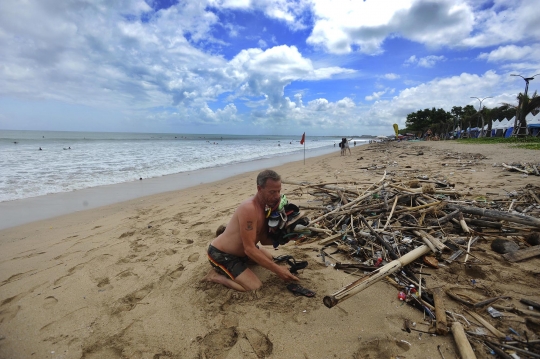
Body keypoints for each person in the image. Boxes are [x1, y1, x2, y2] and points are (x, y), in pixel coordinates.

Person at [204, 169, 299, 291]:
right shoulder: (249, 209)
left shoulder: (267, 208)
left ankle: (241, 266)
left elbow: (264, 240)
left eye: (278, 191)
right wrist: (278, 270)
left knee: (269, 259)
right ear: (259, 189)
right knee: (254, 287)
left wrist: (286, 237)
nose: (277, 196)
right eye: (272, 192)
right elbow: (249, 249)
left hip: (243, 253)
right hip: (222, 254)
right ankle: (215, 276)